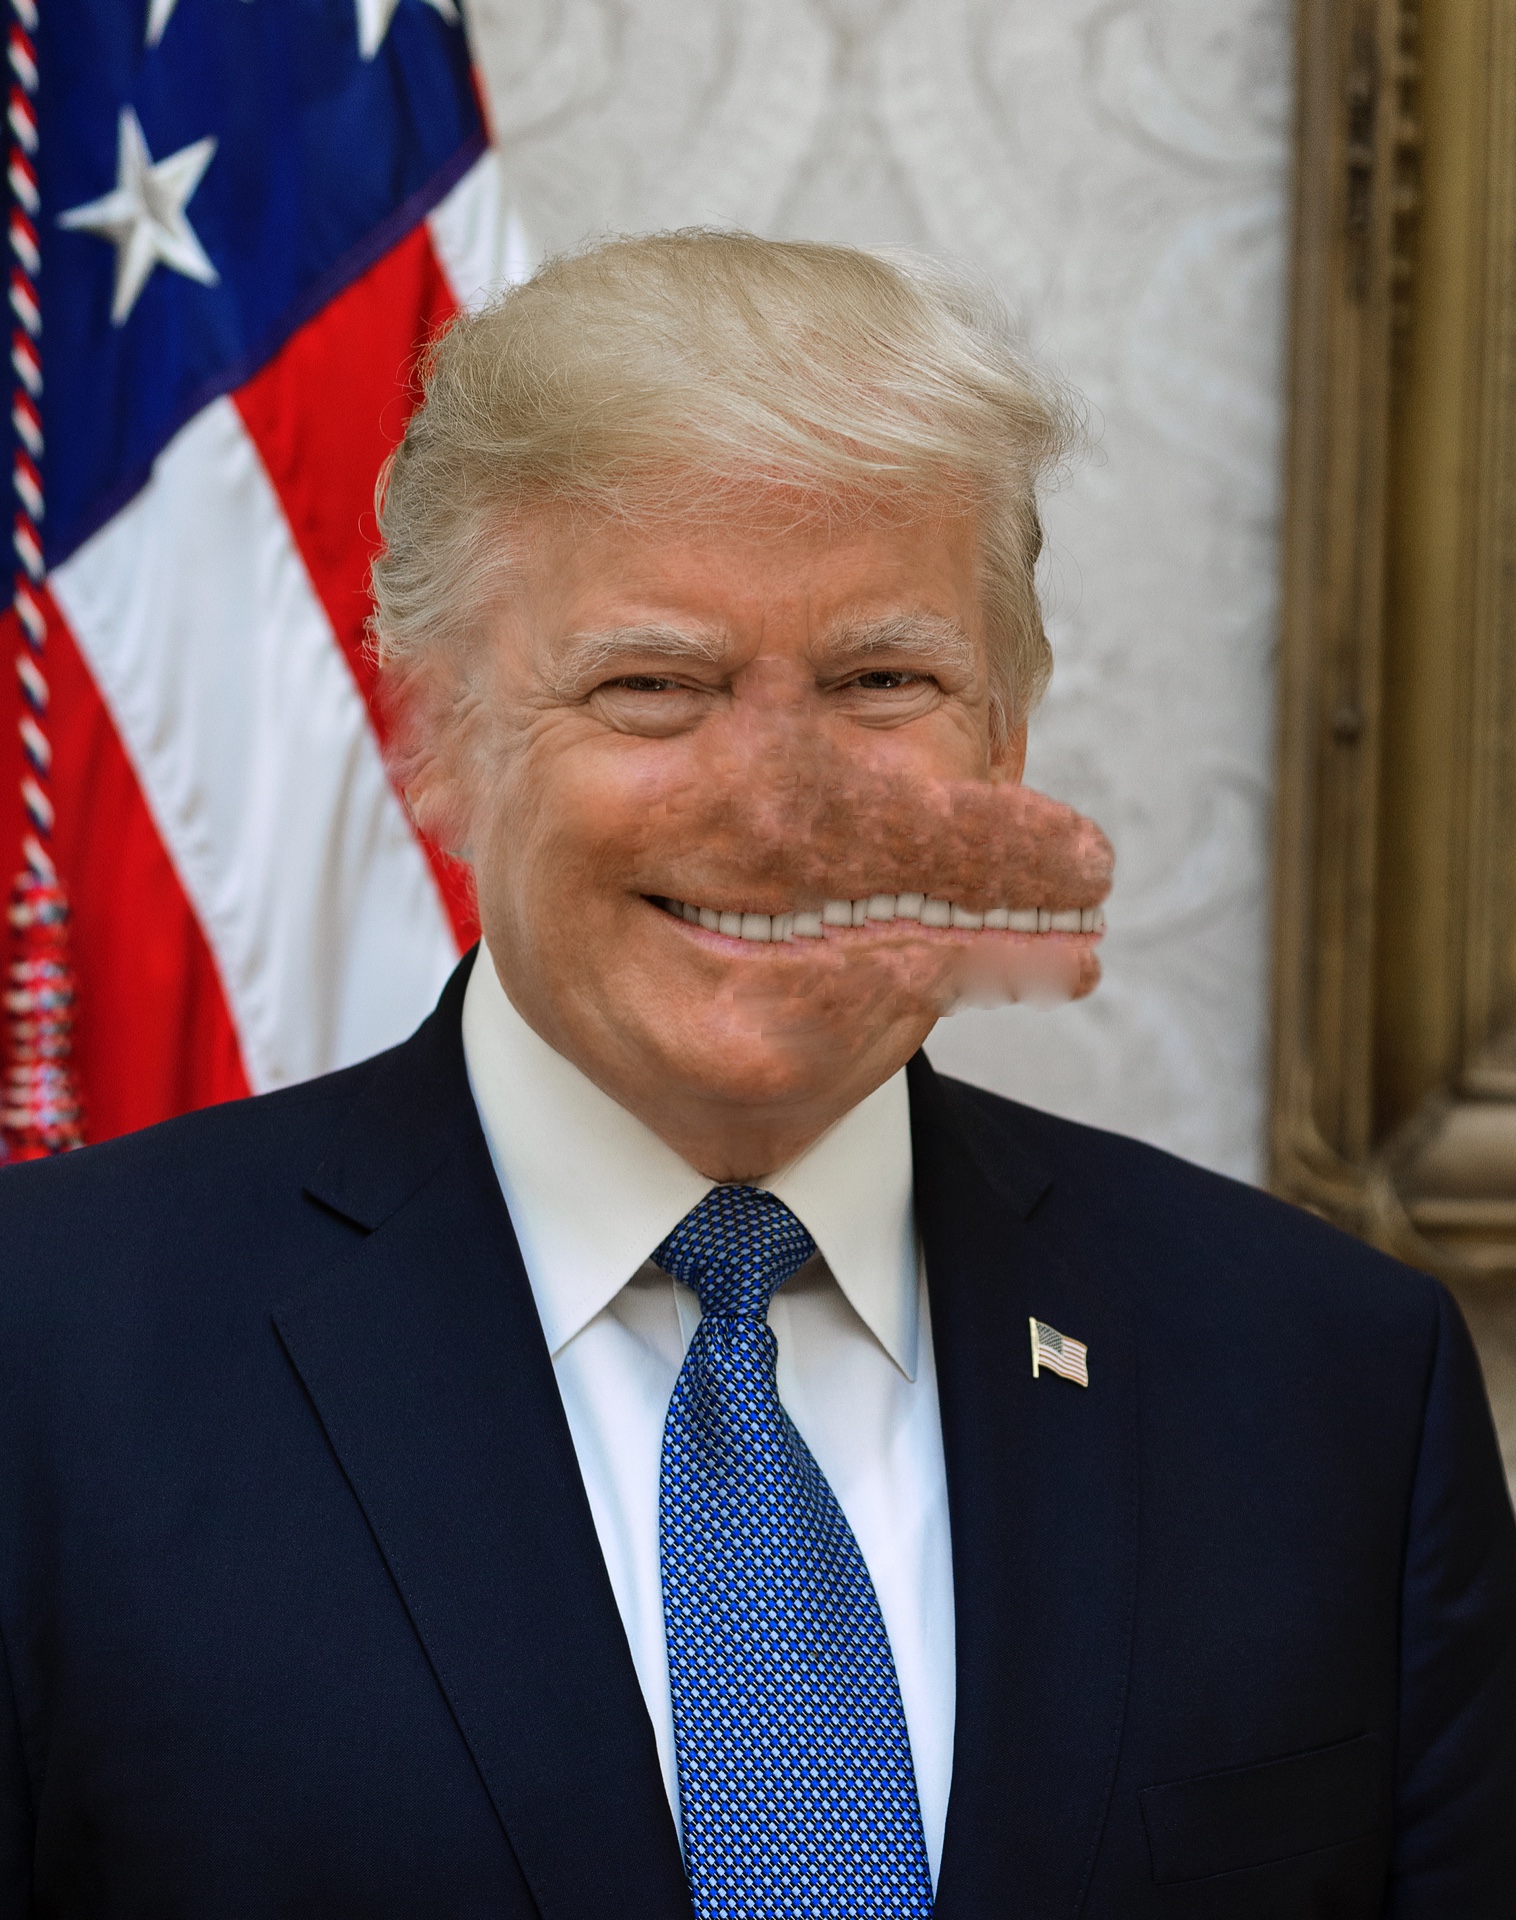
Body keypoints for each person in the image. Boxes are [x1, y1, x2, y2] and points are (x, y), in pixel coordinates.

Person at [1, 232, 1512, 1920]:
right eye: (654, 686)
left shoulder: (1332, 1386)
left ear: (1004, 745)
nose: (783, 805)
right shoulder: (46, 1361)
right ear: (438, 741)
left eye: (883, 683)